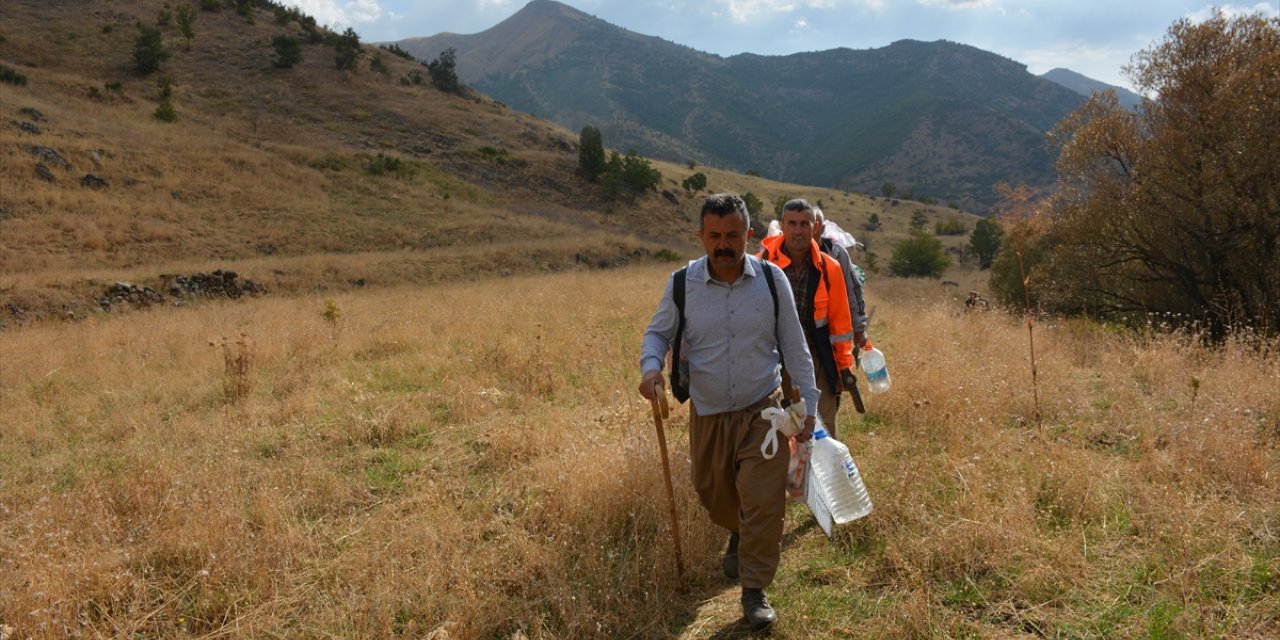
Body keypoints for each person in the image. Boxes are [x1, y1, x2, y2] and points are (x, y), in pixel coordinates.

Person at [639, 193, 819, 631]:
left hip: (764, 413)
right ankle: (737, 529)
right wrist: (651, 370)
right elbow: (658, 334)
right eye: (715, 236)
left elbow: (795, 348)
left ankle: (754, 590)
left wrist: (809, 406)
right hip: (710, 414)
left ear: (749, 236)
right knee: (712, 493)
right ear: (701, 236)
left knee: (763, 500)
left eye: (733, 236)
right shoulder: (682, 284)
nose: (724, 245)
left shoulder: (772, 281)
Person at [758, 199, 856, 437]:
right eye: (792, 223)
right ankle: (782, 473)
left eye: (805, 224)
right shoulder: (761, 263)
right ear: (783, 226)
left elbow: (840, 324)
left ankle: (822, 473)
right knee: (775, 425)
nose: (798, 230)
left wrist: (844, 368)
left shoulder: (830, 268)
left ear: (815, 228)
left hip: (817, 356)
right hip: (772, 357)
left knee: (821, 425)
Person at [813, 207, 869, 351]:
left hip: (833, 337)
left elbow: (853, 291)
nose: (812, 229)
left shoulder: (838, 255)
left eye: (816, 225)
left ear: (822, 228)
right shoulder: (785, 256)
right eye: (809, 224)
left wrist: (859, 328)